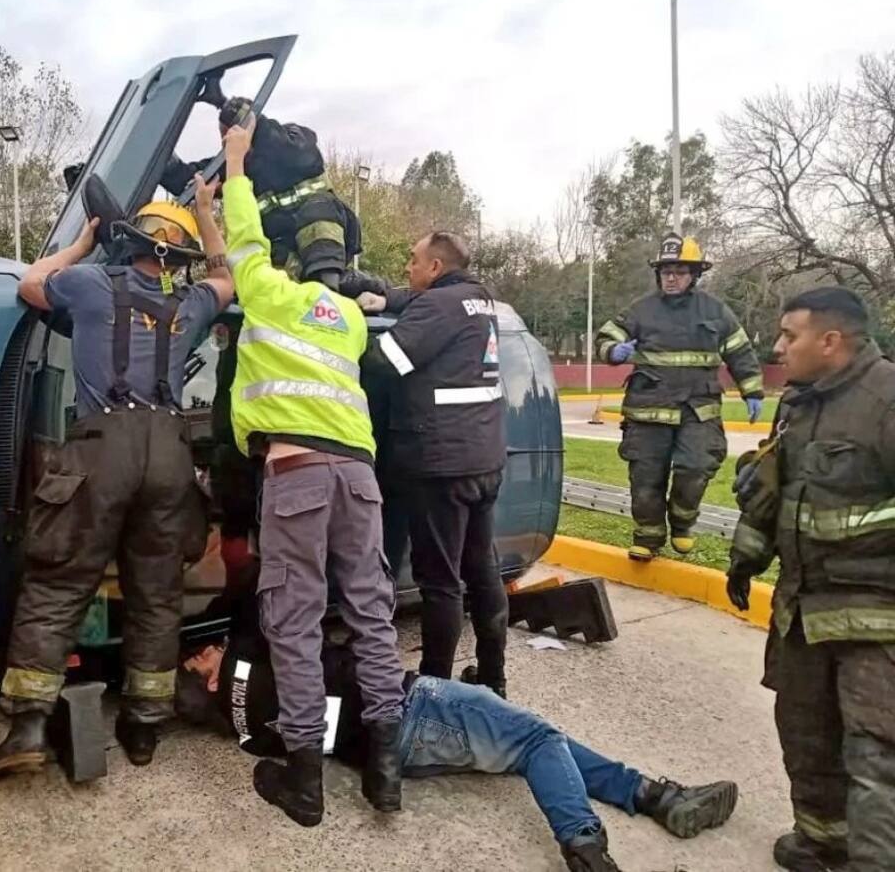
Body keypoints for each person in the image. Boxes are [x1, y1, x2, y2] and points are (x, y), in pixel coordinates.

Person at [175, 599, 740, 872]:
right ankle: (587, 847)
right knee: (538, 741)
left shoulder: (244, 732)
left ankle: (650, 796)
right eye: (208, 646)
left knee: (534, 745)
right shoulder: (257, 649)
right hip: (414, 707)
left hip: (397, 755)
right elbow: (301, 627)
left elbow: (280, 761)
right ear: (208, 657)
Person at [0, 177, 234, 776]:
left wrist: (83, 242)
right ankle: (144, 726)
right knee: (157, 593)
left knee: (59, 582)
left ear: (130, 240)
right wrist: (205, 210)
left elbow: (29, 283)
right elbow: (225, 277)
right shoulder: (190, 302)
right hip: (170, 454)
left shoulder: (91, 284)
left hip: (101, 451)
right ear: (179, 254)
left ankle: (29, 727)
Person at [219, 113, 407, 826]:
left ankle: (305, 779)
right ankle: (384, 771)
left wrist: (235, 162)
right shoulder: (347, 320)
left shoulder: (267, 294)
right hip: (359, 479)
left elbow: (242, 241)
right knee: (370, 611)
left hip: (295, 475)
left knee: (294, 623)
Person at [726, 287, 895, 872]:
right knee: (804, 729)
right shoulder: (798, 405)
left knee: (875, 752)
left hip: (876, 619)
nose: (777, 348)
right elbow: (774, 499)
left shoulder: (887, 401)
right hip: (802, 609)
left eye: (788, 336)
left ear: (830, 341)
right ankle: (820, 839)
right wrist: (744, 561)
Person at [359, 233, 509, 695]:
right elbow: (423, 299)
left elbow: (384, 362)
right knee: (482, 569)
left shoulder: (436, 309)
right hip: (484, 459)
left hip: (440, 465)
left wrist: (333, 333)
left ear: (436, 266)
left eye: (413, 259)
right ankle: (492, 677)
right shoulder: (481, 300)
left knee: (440, 582)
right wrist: (387, 298)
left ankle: (434, 694)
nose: (408, 266)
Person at [594, 232, 765, 562]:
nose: (671, 278)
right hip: (648, 410)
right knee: (646, 477)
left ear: (695, 274)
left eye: (679, 271)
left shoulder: (715, 311)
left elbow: (740, 351)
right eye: (665, 271)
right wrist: (614, 350)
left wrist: (753, 390)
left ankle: (683, 523)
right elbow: (606, 335)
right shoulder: (641, 310)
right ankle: (648, 536)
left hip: (698, 409)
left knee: (696, 468)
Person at [162, 96, 361, 292]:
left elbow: (277, 143)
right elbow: (190, 179)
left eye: (231, 133)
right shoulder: (237, 163)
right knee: (255, 265)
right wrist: (160, 157)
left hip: (324, 249)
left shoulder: (296, 142)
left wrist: (227, 107)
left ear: (250, 128)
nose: (226, 141)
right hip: (286, 256)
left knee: (317, 210)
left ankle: (329, 290)